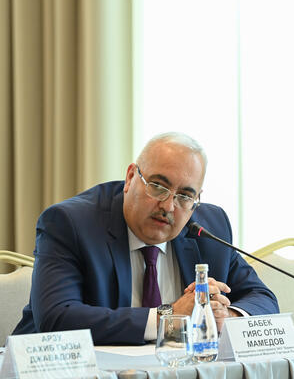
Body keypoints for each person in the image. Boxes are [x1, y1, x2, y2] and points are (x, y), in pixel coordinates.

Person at [13, 132, 279, 344]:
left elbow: (262, 298)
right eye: (158, 187)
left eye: (185, 196)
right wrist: (169, 317)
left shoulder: (209, 227)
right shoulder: (71, 223)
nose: (168, 206)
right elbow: (57, 318)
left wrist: (225, 316)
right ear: (130, 178)